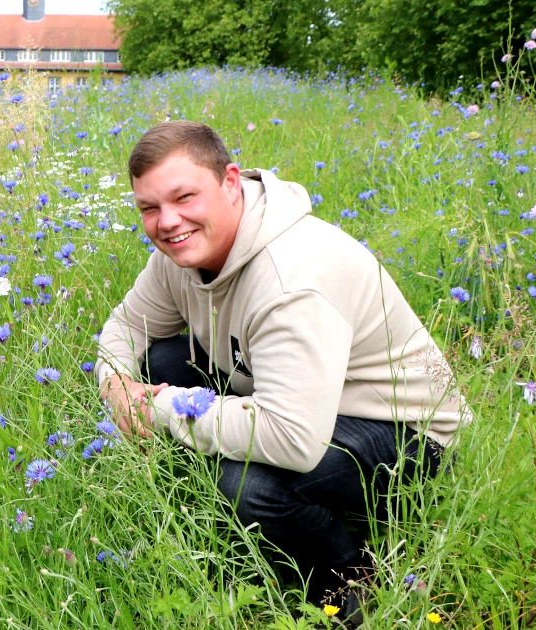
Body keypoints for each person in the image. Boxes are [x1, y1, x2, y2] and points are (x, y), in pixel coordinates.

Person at [95, 121, 472, 622]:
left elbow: (292, 437)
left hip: (406, 433)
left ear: (231, 182)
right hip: (303, 405)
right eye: (149, 208)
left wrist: (159, 407)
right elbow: (126, 326)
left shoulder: (292, 279)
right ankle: (246, 524)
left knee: (246, 480)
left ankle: (348, 580)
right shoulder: (182, 255)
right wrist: (118, 383)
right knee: (162, 359)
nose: (167, 222)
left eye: (184, 197)